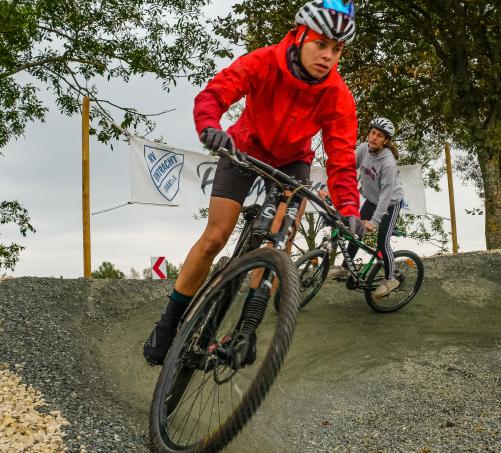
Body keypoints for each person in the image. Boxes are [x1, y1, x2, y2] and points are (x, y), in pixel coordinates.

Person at [143, 0, 366, 366]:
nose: (328, 56)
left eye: (337, 49)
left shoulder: (337, 95)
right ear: (299, 36)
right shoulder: (263, 61)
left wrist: (349, 209)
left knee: (279, 242)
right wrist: (210, 128)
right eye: (321, 44)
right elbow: (215, 94)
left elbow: (341, 159)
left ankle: (246, 330)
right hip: (245, 148)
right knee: (216, 236)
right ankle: (168, 324)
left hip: (293, 163)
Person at [329, 117, 405, 300]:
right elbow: (347, 169)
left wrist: (374, 221)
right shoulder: (363, 149)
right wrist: (331, 188)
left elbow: (386, 195)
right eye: (373, 133)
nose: (374, 138)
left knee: (382, 243)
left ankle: (391, 278)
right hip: (371, 200)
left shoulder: (388, 163)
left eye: (379, 136)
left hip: (390, 204)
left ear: (385, 141)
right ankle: (346, 268)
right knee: (355, 232)